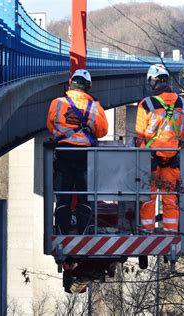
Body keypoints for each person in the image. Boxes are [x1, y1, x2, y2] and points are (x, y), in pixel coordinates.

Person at [46, 69, 109, 234]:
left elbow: (50, 126)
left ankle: (62, 230)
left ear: (71, 83)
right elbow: (102, 131)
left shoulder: (57, 103)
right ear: (87, 86)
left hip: (63, 155)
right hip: (84, 157)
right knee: (84, 196)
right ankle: (83, 230)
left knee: (63, 195)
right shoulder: (95, 106)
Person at [135, 64, 184, 234]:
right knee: (170, 197)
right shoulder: (182, 103)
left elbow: (139, 134)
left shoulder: (146, 104)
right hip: (173, 157)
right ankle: (171, 231)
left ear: (153, 82)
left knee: (149, 196)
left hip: (150, 157)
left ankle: (147, 230)